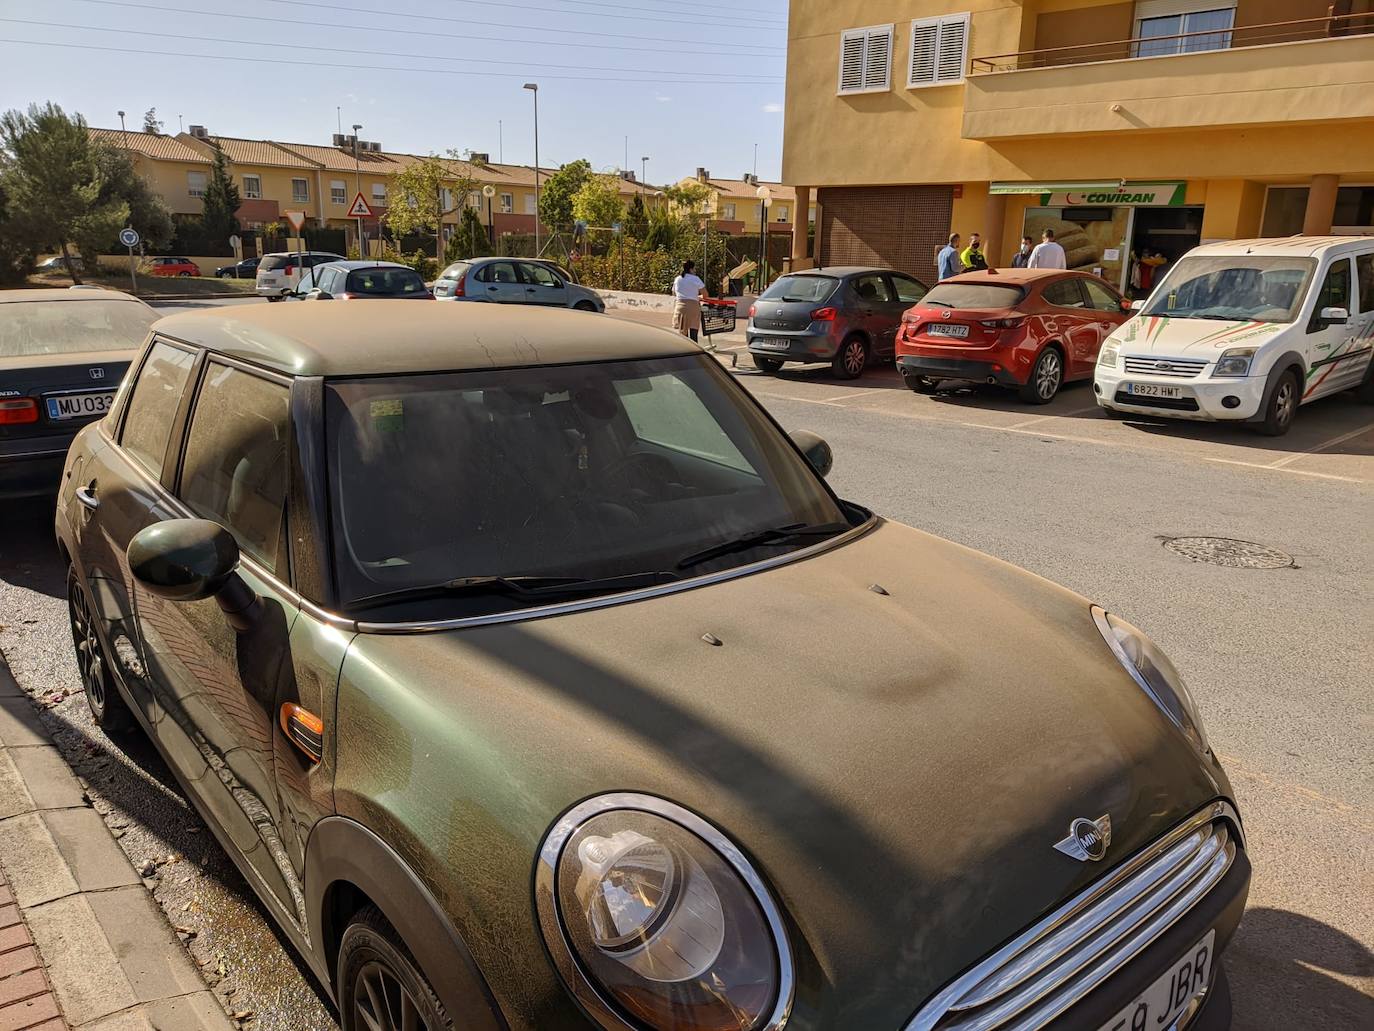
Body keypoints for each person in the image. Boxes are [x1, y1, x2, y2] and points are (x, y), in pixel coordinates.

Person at [672, 260, 707, 342]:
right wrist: (698, 297)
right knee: (693, 333)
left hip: (680, 307)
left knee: (683, 334)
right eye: (694, 269)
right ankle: (695, 351)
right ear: (691, 269)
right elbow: (705, 294)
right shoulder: (695, 279)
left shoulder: (677, 279)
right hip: (693, 307)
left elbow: (674, 293)